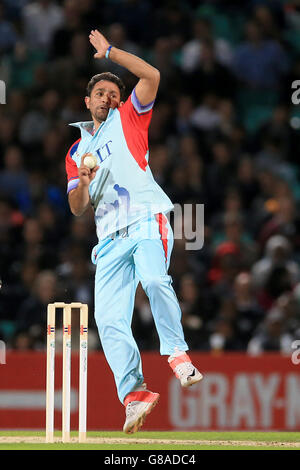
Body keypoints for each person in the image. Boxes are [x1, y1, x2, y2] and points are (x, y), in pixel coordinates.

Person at [65, 29, 203, 434]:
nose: (107, 97)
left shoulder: (131, 117)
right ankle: (135, 394)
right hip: (107, 239)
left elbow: (153, 75)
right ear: (86, 101)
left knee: (157, 280)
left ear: (120, 101)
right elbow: (76, 209)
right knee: (107, 320)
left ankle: (177, 355)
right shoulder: (76, 152)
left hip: (144, 218)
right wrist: (85, 183)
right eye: (100, 93)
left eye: (113, 92)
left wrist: (109, 53)